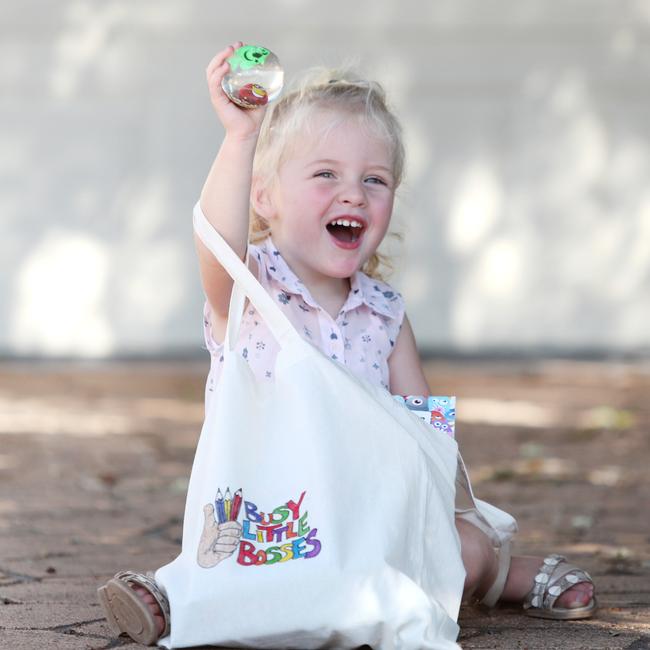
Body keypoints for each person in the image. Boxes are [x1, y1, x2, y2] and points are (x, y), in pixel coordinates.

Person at [97, 41, 597, 646]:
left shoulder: (383, 313)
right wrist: (239, 138)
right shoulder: (250, 292)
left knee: (459, 547)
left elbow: (426, 434)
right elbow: (215, 240)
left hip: (367, 516)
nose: (354, 193)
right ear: (264, 198)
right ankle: (175, 592)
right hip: (273, 511)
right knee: (229, 555)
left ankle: (497, 575)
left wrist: (448, 514)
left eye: (375, 180)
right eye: (325, 175)